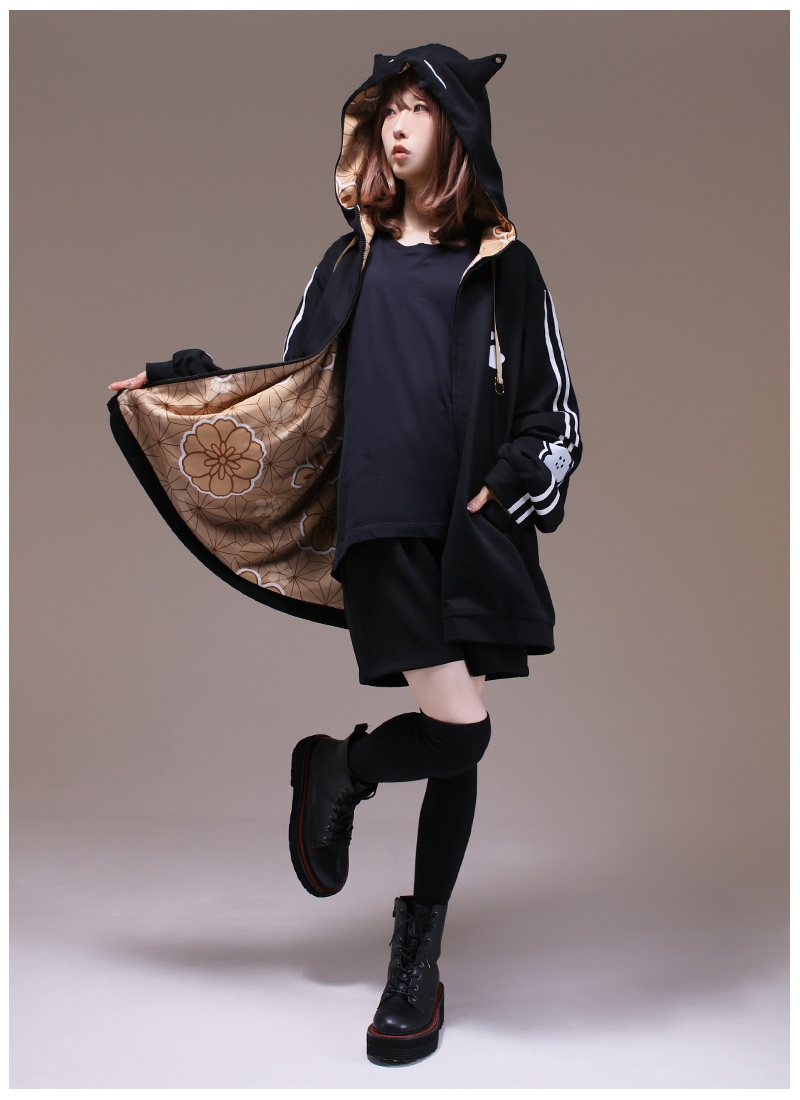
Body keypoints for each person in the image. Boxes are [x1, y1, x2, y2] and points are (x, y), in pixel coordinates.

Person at [109, 43, 582, 1067]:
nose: (399, 123)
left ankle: (415, 947)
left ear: (458, 128)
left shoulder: (506, 265)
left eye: (421, 107)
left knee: (461, 738)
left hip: (469, 533)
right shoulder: (349, 263)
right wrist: (184, 379)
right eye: (389, 108)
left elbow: (555, 412)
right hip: (380, 522)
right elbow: (291, 387)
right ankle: (343, 771)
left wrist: (506, 483)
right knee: (460, 731)